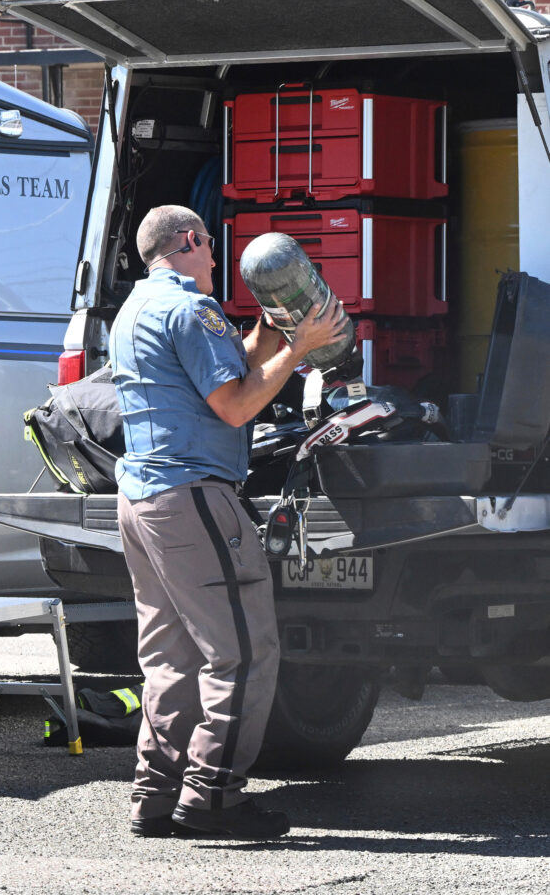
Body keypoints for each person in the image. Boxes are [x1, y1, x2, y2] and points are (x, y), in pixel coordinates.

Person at [109, 205, 348, 839]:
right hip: (191, 497)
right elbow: (237, 405)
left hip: (142, 500)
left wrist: (271, 332)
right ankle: (213, 796)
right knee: (241, 651)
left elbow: (223, 371)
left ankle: (155, 796)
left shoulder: (137, 308)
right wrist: (301, 348)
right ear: (188, 240)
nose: (215, 258)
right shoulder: (192, 308)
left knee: (171, 656)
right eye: (210, 245)